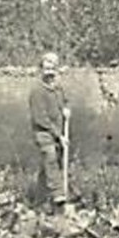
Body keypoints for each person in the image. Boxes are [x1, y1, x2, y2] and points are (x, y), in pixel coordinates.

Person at [28, 52, 71, 208]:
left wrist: (66, 109)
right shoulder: (37, 91)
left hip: (57, 132)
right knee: (51, 159)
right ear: (41, 69)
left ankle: (38, 201)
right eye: (46, 68)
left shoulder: (58, 88)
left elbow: (65, 101)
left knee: (47, 169)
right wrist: (59, 136)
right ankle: (59, 196)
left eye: (52, 68)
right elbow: (40, 118)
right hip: (44, 133)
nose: (50, 72)